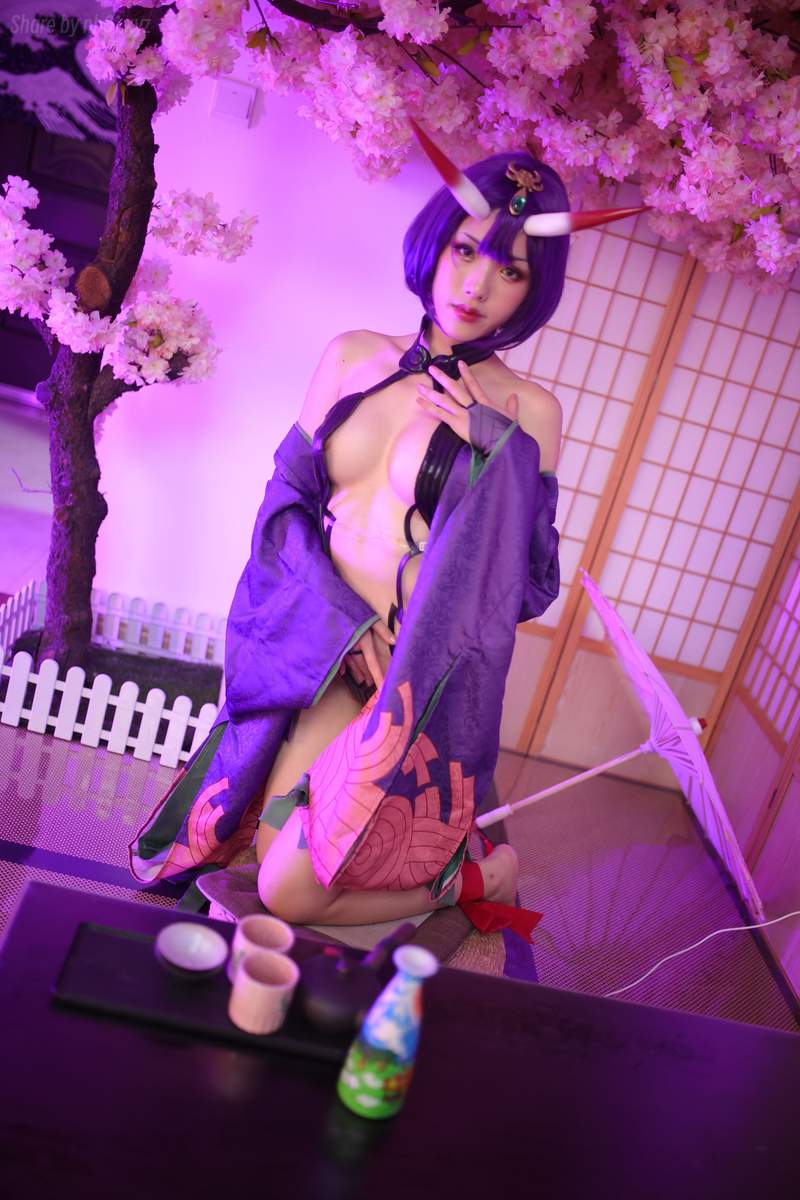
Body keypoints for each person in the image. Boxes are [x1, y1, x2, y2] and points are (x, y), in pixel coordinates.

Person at [131, 133, 635, 935]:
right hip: (317, 648)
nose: (477, 285)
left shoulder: (527, 413)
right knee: (264, 853)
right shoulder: (351, 357)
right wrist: (344, 622)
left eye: (511, 271)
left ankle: (480, 878)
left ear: (533, 291)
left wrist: (494, 455)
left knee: (289, 889)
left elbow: (530, 584)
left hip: (404, 683)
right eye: (466, 250)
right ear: (437, 241)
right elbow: (286, 508)